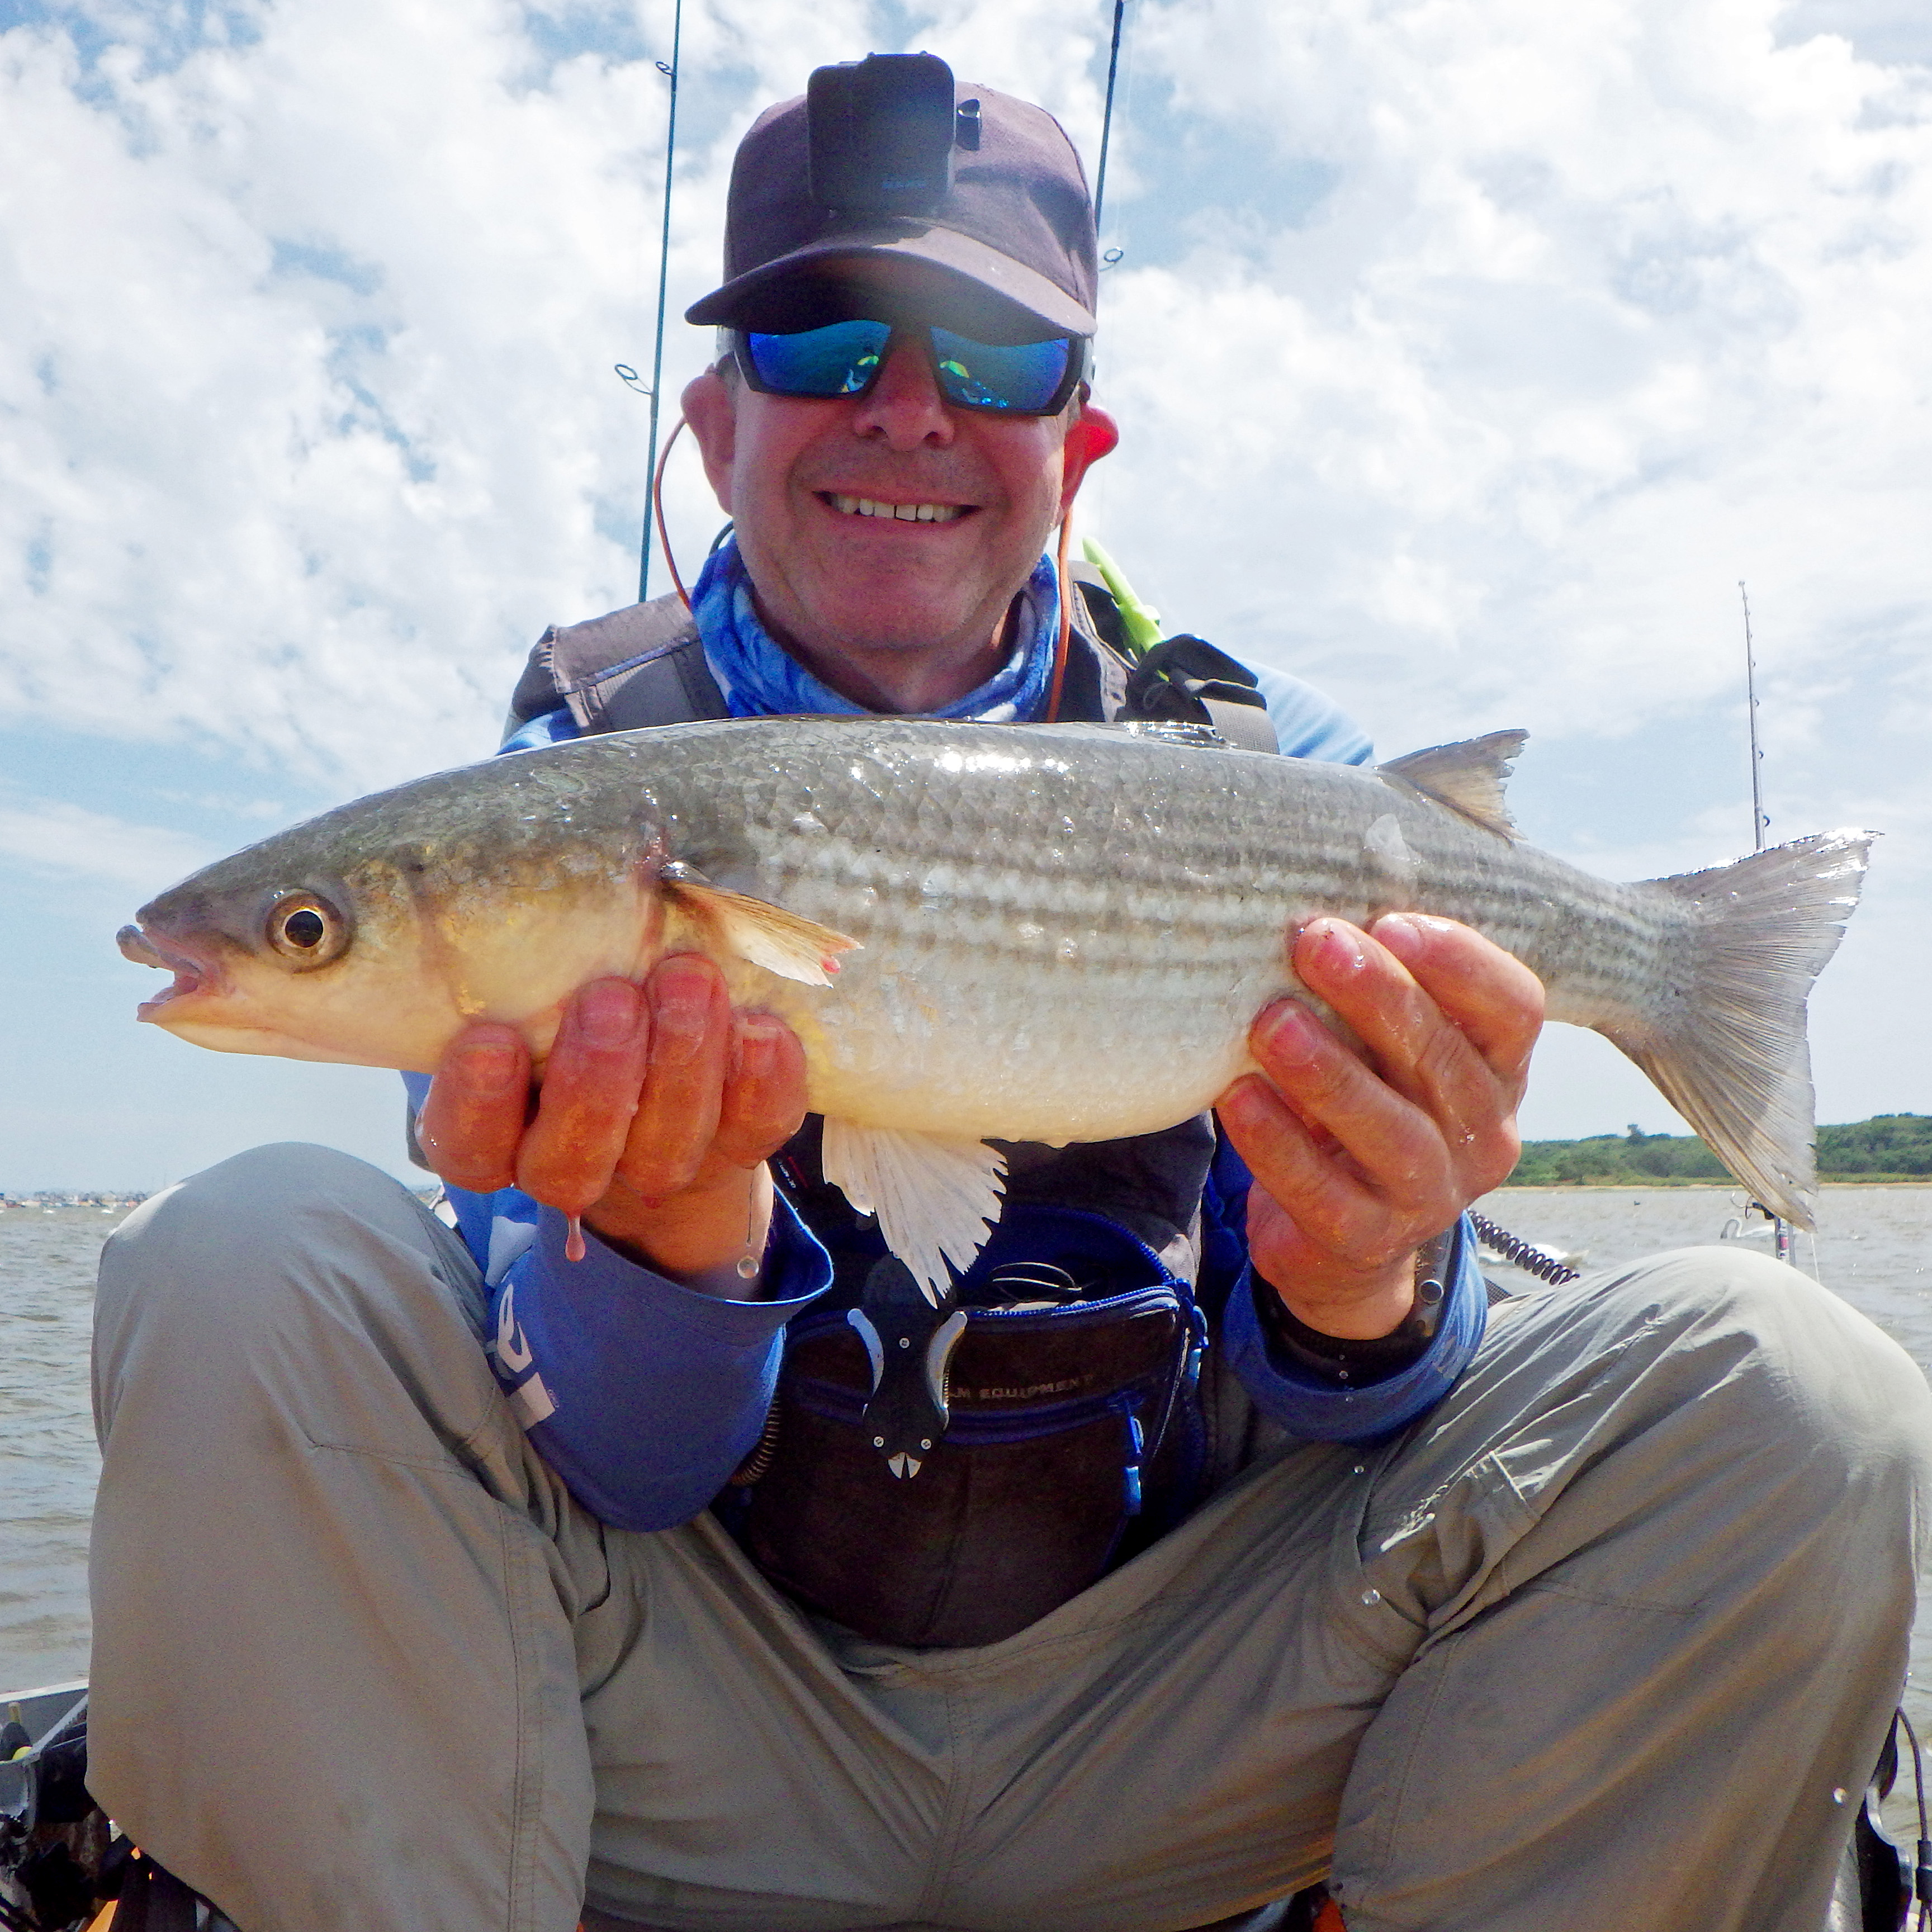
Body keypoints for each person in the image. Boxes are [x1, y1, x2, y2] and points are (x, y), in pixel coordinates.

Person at [89, 56, 1932, 1932]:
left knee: (1798, 1390)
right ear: (716, 425)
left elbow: (1382, 1421)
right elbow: (622, 1466)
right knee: (235, 1256)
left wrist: (1367, 1276)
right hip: (679, 1730)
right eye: (821, 340)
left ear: (1079, 443)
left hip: (1193, 1726)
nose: (907, 408)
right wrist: (667, 1246)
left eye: (993, 358)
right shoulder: (568, 776)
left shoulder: (1289, 774)